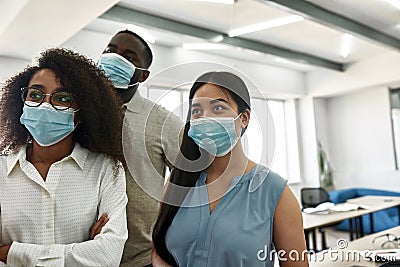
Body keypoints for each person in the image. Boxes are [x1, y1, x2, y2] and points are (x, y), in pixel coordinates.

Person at [152, 71, 308, 266]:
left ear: (244, 118)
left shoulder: (275, 192)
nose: (205, 118)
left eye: (218, 108)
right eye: (197, 111)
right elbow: (159, 250)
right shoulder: (177, 183)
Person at [0, 48, 128, 266]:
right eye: (36, 95)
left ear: (82, 110)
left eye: (62, 98)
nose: (46, 104)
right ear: (21, 103)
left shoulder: (106, 170)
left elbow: (107, 256)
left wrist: (11, 253)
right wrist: (79, 253)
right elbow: (93, 258)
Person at [98, 30, 183, 267]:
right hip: (87, 253)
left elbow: (192, 183)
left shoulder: (162, 121)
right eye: (110, 50)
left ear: (142, 75)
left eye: (129, 57)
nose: (115, 58)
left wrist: (169, 231)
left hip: (142, 258)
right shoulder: (80, 115)